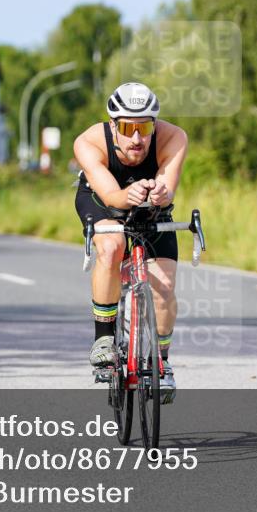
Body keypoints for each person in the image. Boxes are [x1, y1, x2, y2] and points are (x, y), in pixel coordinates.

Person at [73, 82, 188, 403]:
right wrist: (127, 195)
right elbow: (111, 195)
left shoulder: (173, 137)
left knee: (163, 286)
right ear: (113, 126)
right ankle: (104, 339)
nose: (137, 138)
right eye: (127, 128)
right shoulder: (89, 142)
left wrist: (162, 193)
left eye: (145, 127)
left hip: (150, 206)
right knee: (112, 246)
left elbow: (167, 183)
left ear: (155, 124)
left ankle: (161, 363)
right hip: (101, 199)